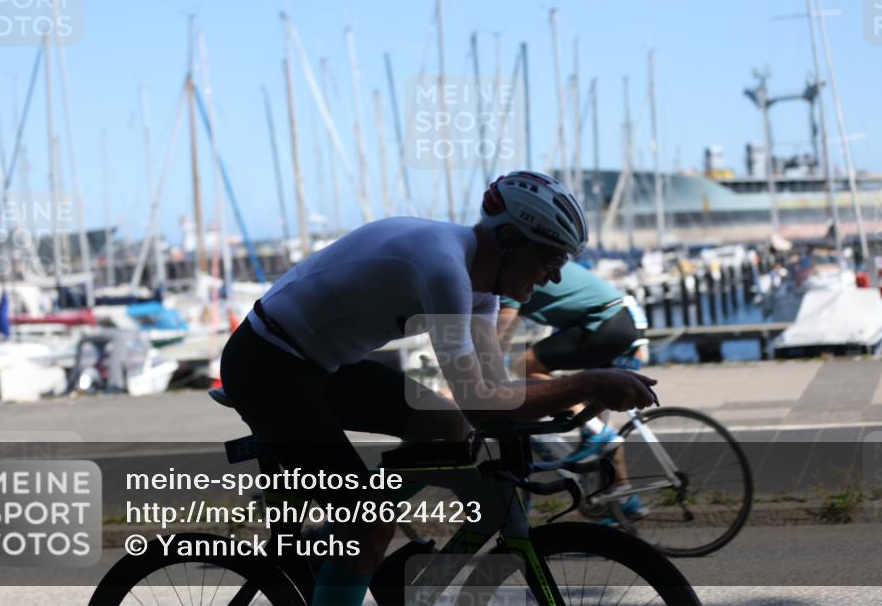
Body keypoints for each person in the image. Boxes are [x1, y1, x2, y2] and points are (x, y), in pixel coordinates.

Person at [219, 170, 658, 606]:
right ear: (509, 238)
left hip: (322, 365)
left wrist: (580, 392)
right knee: (369, 523)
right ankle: (358, 533)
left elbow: (493, 393)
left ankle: (345, 540)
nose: (554, 278)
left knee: (447, 426)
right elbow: (481, 402)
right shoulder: (443, 267)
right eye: (552, 259)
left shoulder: (482, 292)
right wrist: (589, 382)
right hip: (266, 364)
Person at [495, 261, 649, 521]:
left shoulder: (509, 272)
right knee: (598, 412)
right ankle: (624, 498)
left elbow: (502, 332)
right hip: (626, 321)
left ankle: (595, 430)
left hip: (607, 320)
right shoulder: (523, 263)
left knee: (524, 366)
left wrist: (482, 372)